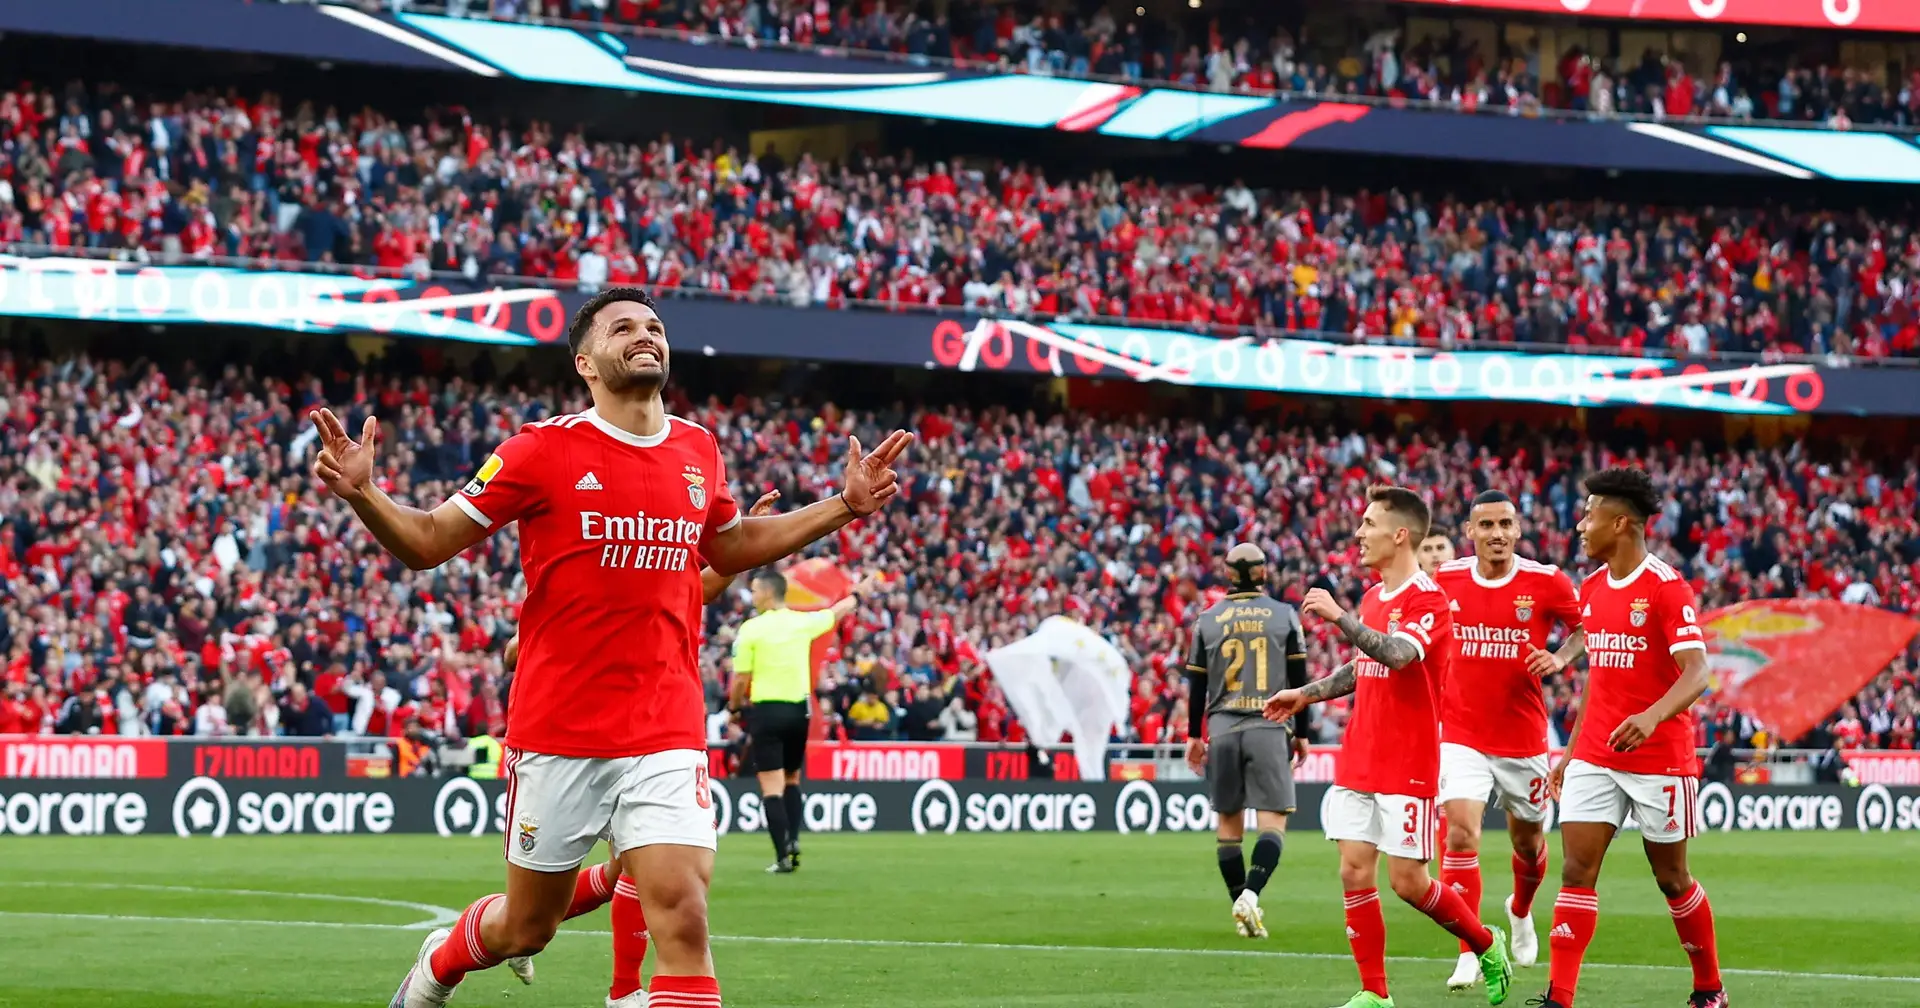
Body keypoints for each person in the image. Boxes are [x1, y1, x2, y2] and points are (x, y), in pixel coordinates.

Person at [311, 286, 912, 1008]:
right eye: (622, 327)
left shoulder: (698, 447)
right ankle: (441, 963)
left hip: (665, 723)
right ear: (585, 363)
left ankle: (628, 991)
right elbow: (430, 541)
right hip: (559, 728)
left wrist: (842, 505)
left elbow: (728, 546)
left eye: (653, 326)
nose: (644, 335)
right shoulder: (541, 450)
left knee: (684, 914)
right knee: (527, 927)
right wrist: (365, 496)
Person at [501, 488, 783, 1003]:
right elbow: (514, 651)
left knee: (645, 871)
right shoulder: (579, 568)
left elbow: (697, 590)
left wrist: (746, 551)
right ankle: (516, 932)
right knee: (586, 888)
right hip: (570, 739)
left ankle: (624, 990)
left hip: (650, 729)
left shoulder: (655, 560)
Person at [1265, 485, 1513, 1008]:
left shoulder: (1429, 599)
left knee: (1408, 883)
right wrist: (1304, 694)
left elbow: (1399, 654)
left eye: (1368, 523)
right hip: (1362, 754)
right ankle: (1375, 993)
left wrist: (1338, 618)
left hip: (1408, 761)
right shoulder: (1374, 596)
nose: (1358, 533)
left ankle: (1487, 944)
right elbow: (1365, 666)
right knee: (1353, 869)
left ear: (1399, 534)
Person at [1538, 467, 1725, 1008]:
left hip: (1660, 758)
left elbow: (1697, 672)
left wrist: (1651, 717)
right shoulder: (1592, 588)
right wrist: (1570, 755)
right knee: (1576, 869)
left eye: (1589, 514)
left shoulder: (1667, 587)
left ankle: (1709, 988)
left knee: (1672, 879)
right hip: (1596, 751)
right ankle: (1560, 996)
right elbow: (1599, 676)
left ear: (1620, 523)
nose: (1579, 525)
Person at [1430, 490, 1586, 988]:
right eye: (1487, 525)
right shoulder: (1447, 577)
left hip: (1522, 737)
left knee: (1529, 842)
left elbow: (1587, 629)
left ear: (1518, 530)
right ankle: (1471, 948)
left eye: (1506, 524)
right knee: (1460, 832)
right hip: (1461, 733)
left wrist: (1560, 658)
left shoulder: (1546, 581)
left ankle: (1519, 909)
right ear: (1470, 532)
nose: (1497, 533)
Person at [1182, 542, 1310, 940]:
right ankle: (1250, 896)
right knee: (1272, 823)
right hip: (1269, 725)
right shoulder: (1283, 616)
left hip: (1221, 729)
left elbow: (1197, 685)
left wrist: (1192, 735)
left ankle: (1241, 907)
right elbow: (1300, 682)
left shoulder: (1207, 618)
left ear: (1227, 573)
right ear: (1262, 573)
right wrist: (1302, 733)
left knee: (1228, 828)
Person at [729, 566, 882, 873]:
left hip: (767, 711)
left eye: (756, 589)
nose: (753, 595)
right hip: (799, 712)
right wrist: (858, 592)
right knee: (792, 779)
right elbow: (837, 612)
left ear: (769, 592)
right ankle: (795, 839)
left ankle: (783, 855)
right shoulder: (802, 623)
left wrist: (734, 708)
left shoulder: (752, 629)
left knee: (771, 787)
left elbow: (741, 680)